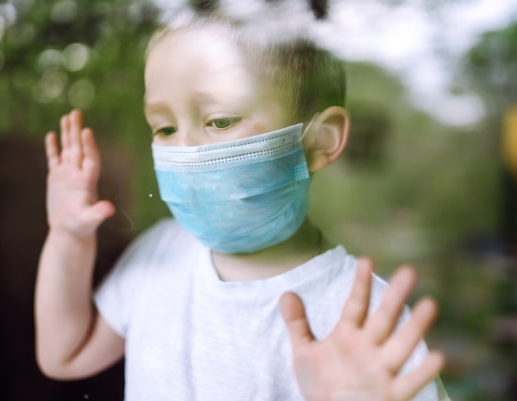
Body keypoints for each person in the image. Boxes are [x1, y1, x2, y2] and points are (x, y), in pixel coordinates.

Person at [34, 9, 450, 401]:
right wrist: (68, 238)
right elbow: (65, 355)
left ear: (319, 141)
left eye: (219, 120)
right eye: (164, 127)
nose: (185, 148)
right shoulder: (160, 253)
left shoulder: (365, 323)